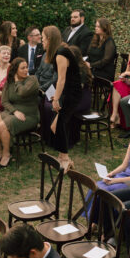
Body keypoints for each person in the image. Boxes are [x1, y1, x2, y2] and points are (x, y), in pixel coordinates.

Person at [41, 26, 82, 171]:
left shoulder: (61, 53)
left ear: (50, 39)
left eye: (43, 38)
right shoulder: (59, 52)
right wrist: (57, 95)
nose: (42, 41)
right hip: (67, 91)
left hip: (72, 93)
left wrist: (56, 99)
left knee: (60, 124)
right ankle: (62, 156)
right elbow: (61, 80)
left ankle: (65, 158)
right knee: (55, 125)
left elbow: (62, 79)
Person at [0, 58, 40, 168]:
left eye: (26, 67)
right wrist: (14, 111)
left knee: (3, 125)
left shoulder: (32, 80)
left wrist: (17, 82)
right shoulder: (9, 81)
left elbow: (22, 92)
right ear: (15, 70)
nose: (26, 70)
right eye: (22, 68)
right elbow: (4, 101)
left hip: (29, 114)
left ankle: (7, 154)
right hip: (14, 111)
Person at [94, 117, 130, 199]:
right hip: (123, 175)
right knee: (96, 186)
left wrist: (115, 181)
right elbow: (124, 165)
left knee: (106, 191)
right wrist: (112, 173)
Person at [86, 18, 118, 82]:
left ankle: (85, 92)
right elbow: (89, 54)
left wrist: (91, 65)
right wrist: (85, 63)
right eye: (95, 26)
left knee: (83, 75)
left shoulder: (109, 41)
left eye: (98, 26)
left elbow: (106, 60)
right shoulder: (95, 39)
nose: (96, 28)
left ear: (104, 28)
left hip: (104, 72)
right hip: (94, 69)